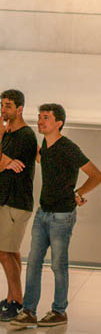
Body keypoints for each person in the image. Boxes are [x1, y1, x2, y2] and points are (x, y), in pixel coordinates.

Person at [11, 102, 101, 329]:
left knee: (58, 265)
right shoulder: (45, 144)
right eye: (40, 117)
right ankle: (29, 311)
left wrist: (79, 193)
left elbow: (96, 175)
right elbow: (43, 160)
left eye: (45, 118)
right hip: (42, 213)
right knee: (33, 262)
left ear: (59, 123)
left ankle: (59, 311)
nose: (40, 121)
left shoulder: (68, 148)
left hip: (62, 216)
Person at [0, 89, 37, 322]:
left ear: (20, 109)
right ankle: (11, 297)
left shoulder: (25, 136)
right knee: (11, 252)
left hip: (17, 202)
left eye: (8, 106)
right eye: (2, 105)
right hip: (6, 200)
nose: (4, 110)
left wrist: (3, 162)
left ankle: (19, 302)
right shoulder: (8, 133)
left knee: (3, 252)